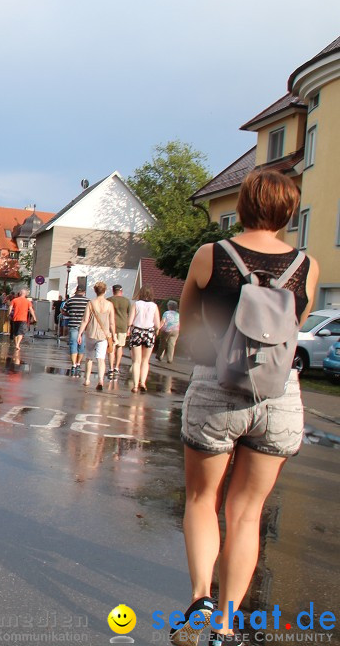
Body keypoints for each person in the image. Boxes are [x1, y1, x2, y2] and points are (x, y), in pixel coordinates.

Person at [172, 169, 318, 646]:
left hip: (217, 387)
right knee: (247, 512)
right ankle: (225, 626)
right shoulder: (307, 266)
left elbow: (189, 319)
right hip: (278, 396)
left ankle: (200, 599)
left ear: (244, 202)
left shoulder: (211, 255)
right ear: (289, 212)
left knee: (201, 500)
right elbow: (297, 321)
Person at [77, 281, 115, 391]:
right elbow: (112, 322)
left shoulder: (91, 303)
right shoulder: (109, 305)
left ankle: (87, 379)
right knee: (101, 359)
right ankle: (100, 380)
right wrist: (114, 335)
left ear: (95, 291)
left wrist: (80, 333)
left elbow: (85, 320)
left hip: (91, 333)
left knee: (89, 357)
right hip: (103, 335)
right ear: (105, 291)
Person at [128, 285, 161, 393]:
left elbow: (130, 322)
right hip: (149, 332)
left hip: (137, 331)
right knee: (145, 360)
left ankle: (135, 385)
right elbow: (157, 324)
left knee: (136, 361)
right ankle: (143, 382)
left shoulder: (136, 304)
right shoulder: (154, 306)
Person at [62, 286, 90, 374]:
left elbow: (63, 311)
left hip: (73, 324)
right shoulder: (88, 301)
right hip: (84, 326)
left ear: (76, 291)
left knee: (73, 344)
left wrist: (70, 314)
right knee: (82, 345)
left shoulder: (70, 300)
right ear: (84, 292)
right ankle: (78, 364)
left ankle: (73, 365)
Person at [108, 285, 132, 377]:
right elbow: (130, 314)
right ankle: (117, 367)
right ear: (121, 291)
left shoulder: (109, 300)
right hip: (123, 326)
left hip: (111, 327)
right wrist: (129, 328)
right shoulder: (126, 301)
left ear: (113, 291)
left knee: (111, 347)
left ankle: (110, 368)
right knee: (119, 347)